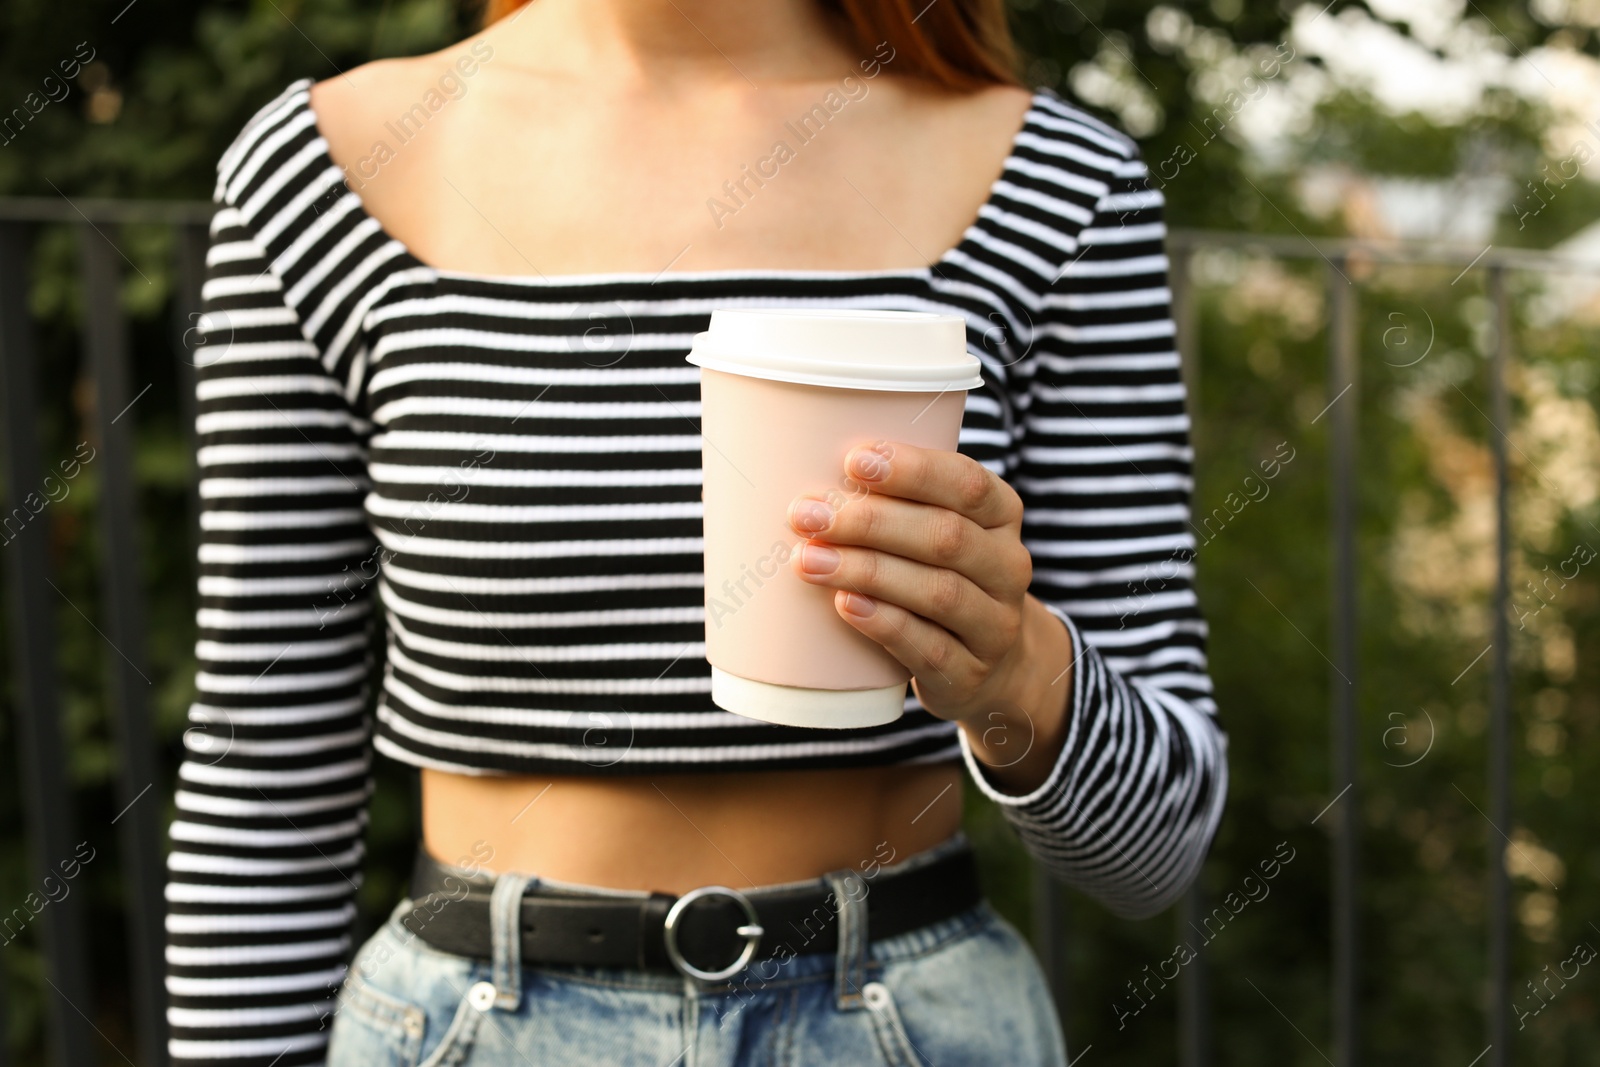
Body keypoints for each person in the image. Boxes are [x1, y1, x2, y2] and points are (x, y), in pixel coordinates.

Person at [164, 1, 1228, 1064]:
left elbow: (1156, 849)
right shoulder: (314, 177)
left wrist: (1014, 672)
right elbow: (263, 784)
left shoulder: (1064, 188)